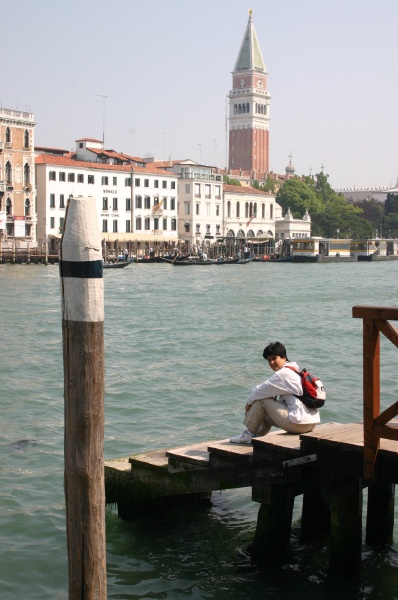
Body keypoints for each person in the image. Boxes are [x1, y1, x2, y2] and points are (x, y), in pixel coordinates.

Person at [230, 342, 320, 444]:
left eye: (274, 358)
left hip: (299, 424)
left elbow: (258, 391)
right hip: (311, 423)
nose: (271, 362)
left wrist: (248, 404)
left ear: (284, 357)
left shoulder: (283, 374)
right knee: (266, 414)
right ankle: (256, 437)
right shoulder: (295, 370)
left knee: (262, 401)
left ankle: (248, 435)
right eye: (269, 360)